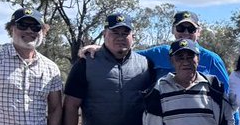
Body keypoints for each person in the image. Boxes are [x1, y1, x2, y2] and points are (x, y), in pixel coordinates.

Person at [81, 10, 230, 90]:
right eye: (180, 28)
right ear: (173, 30)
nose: (185, 32)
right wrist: (101, 48)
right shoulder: (157, 53)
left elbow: (228, 95)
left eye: (191, 28)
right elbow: (125, 54)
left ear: (199, 31)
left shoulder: (212, 59)